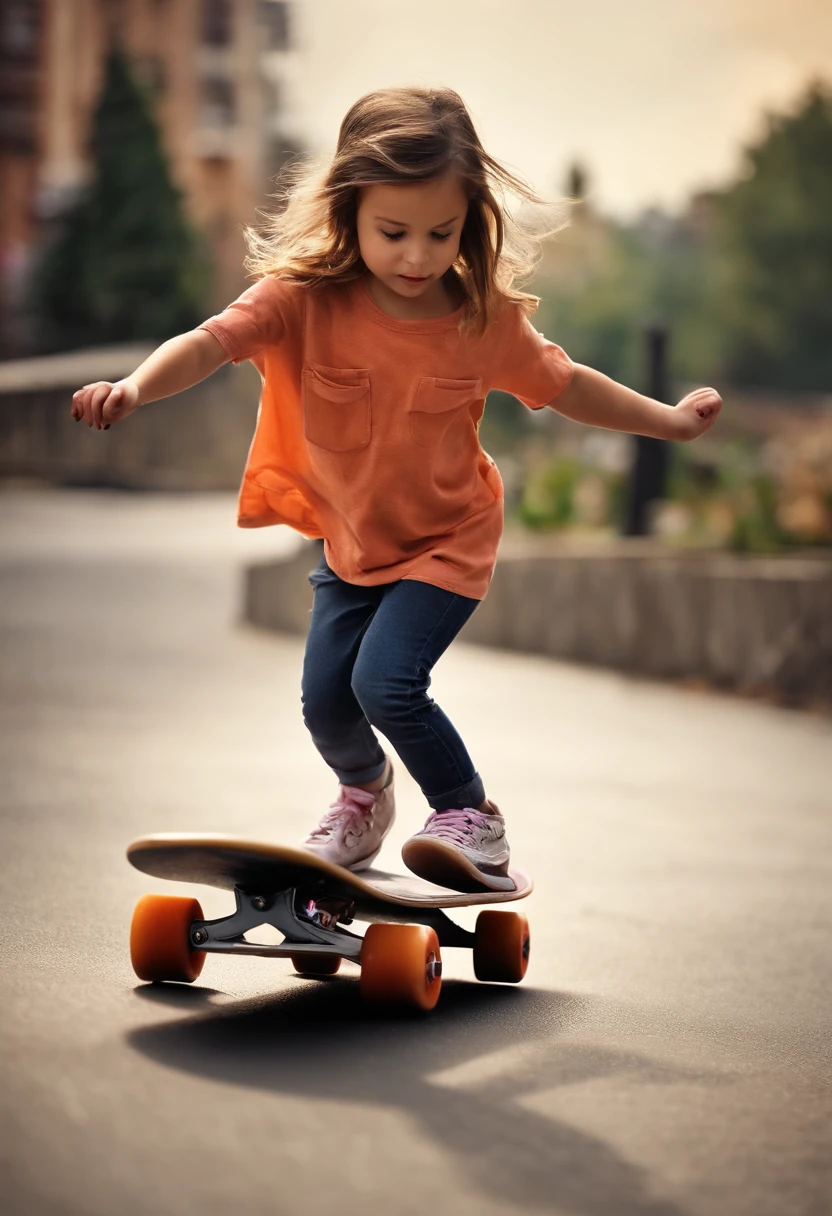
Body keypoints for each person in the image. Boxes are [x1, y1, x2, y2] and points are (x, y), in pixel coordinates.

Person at [71, 87, 722, 892]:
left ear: (469, 223)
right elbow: (210, 344)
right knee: (325, 702)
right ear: (350, 211)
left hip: (448, 539)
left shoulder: (480, 320)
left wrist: (668, 421)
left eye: (440, 234)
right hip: (352, 545)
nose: (417, 257)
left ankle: (470, 816)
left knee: (385, 682)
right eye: (393, 233)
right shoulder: (302, 298)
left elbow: (568, 385)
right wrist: (134, 389)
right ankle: (363, 796)